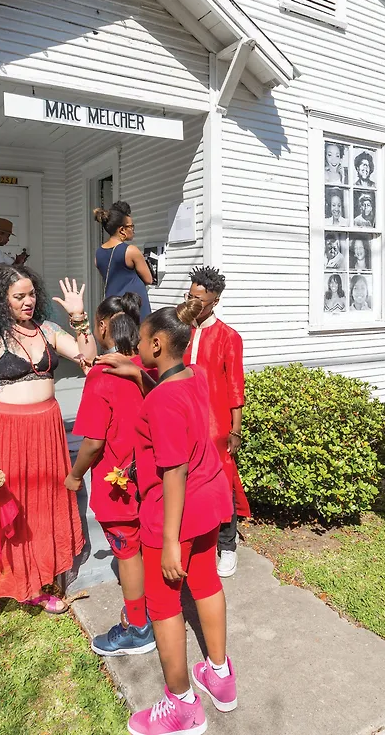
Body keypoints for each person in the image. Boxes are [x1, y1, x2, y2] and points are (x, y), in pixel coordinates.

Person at [120, 303, 236, 735]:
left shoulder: (162, 400)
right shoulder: (195, 375)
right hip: (210, 502)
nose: (136, 348)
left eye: (140, 342)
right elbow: (171, 392)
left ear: (156, 344)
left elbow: (174, 470)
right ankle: (220, 676)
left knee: (165, 605)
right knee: (205, 582)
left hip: (174, 513)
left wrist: (170, 541)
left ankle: (182, 705)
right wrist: (139, 375)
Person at [0, 266, 97, 643]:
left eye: (31, 294)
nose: (27, 302)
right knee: (0, 515)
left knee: (40, 509)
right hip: (6, 435)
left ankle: (35, 585)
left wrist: (79, 319)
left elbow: (89, 360)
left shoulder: (48, 330)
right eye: (18, 296)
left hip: (46, 433)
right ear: (0, 300)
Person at [65, 294, 156, 657]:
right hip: (152, 477)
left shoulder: (103, 375)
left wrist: (75, 475)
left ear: (103, 326)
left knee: (127, 552)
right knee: (147, 547)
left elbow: (93, 442)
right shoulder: (146, 367)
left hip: (119, 484)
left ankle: (138, 627)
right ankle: (154, 608)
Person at [184, 268, 249, 578]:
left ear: (215, 301)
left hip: (215, 423)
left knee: (222, 483)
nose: (193, 304)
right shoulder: (180, 329)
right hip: (183, 419)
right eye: (189, 296)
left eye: (200, 300)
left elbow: (236, 386)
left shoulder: (228, 337)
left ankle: (227, 545)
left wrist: (235, 429)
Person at [95, 201, 153, 317]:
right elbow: (148, 279)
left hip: (113, 305)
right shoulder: (131, 251)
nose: (133, 230)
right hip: (133, 306)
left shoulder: (98, 253)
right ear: (122, 230)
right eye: (131, 226)